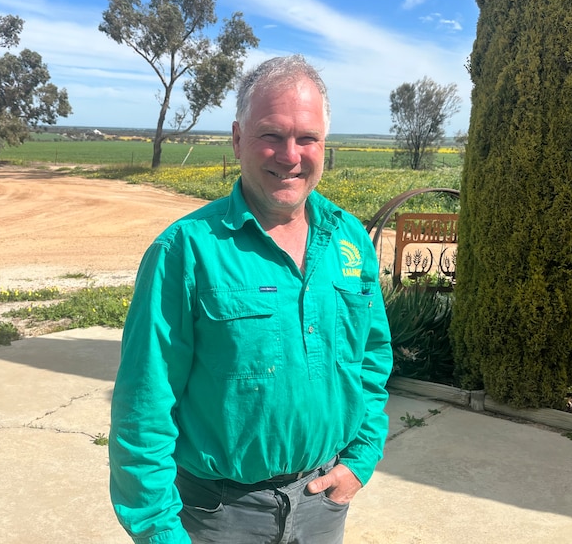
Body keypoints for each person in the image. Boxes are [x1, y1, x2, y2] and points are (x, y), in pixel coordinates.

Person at [109, 54, 393, 544]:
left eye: (307, 138)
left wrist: (360, 460)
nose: (290, 155)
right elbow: (144, 403)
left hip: (322, 503)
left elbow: (370, 359)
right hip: (218, 516)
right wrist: (159, 531)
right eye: (271, 135)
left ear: (325, 145)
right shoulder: (186, 249)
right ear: (238, 138)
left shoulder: (350, 239)